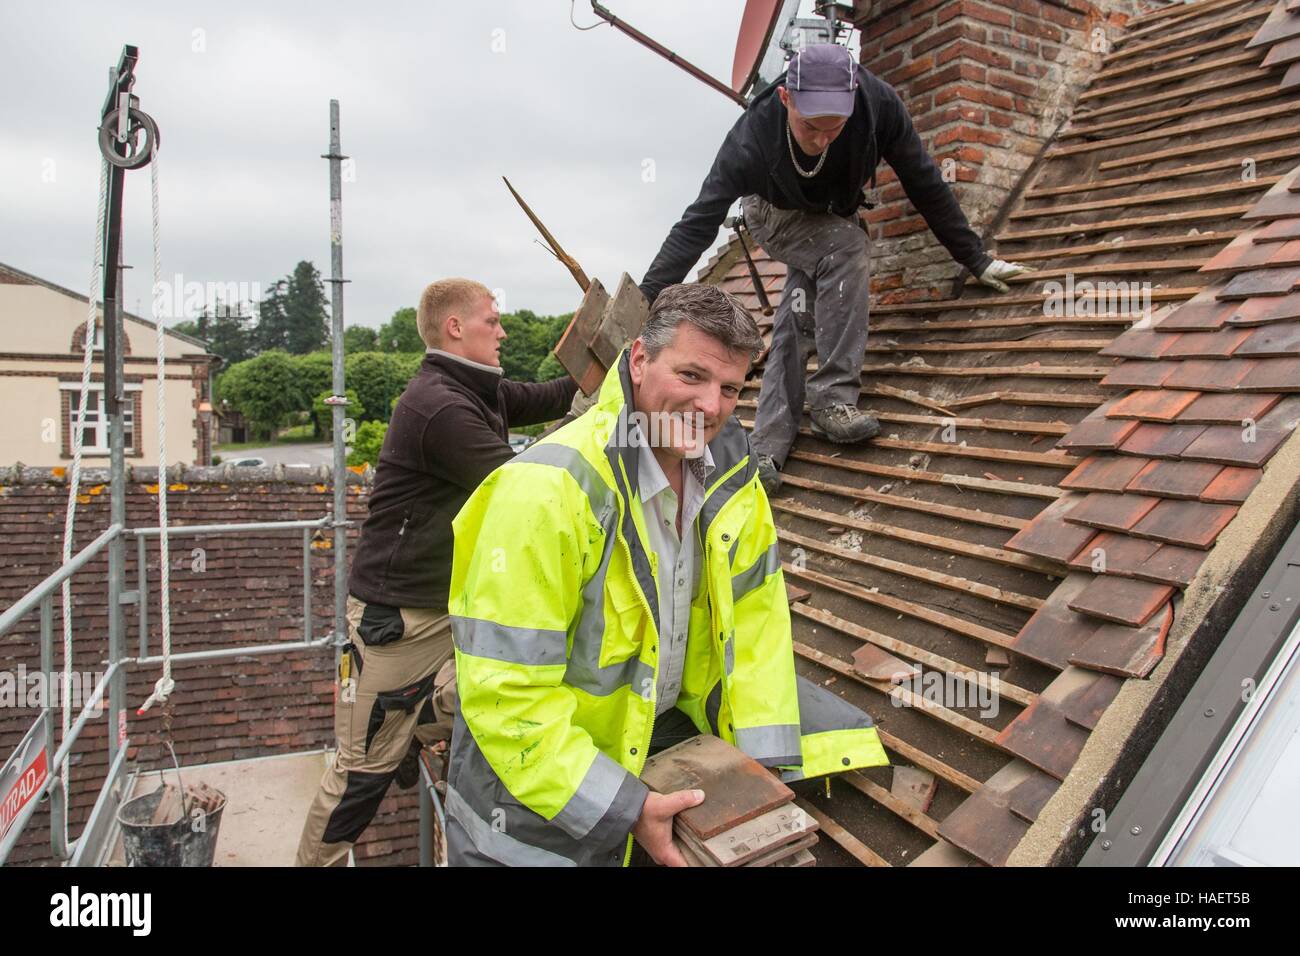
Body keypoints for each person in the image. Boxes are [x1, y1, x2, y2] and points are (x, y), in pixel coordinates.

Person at [443, 283, 888, 867]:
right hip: (531, 815)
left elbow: (757, 627)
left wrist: (760, 773)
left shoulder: (733, 476)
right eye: (691, 376)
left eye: (729, 388)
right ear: (638, 359)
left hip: (658, 746)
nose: (710, 407)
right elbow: (507, 698)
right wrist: (626, 807)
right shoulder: (545, 493)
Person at [639, 43, 1030, 494]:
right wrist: (649, 303)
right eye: (810, 127)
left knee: (799, 308)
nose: (824, 139)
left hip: (831, 213)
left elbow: (924, 180)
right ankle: (832, 400)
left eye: (835, 128)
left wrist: (975, 258)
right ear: (786, 99)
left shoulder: (880, 106)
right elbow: (698, 222)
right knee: (845, 247)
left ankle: (765, 448)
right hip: (772, 214)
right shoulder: (752, 140)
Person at [295, 277, 578, 866]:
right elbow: (519, 487)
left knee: (497, 689)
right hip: (397, 620)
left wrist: (603, 375)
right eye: (492, 321)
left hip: (445, 606)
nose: (502, 331)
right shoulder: (439, 405)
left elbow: (550, 396)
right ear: (455, 328)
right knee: (360, 776)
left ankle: (415, 722)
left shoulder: (479, 390)